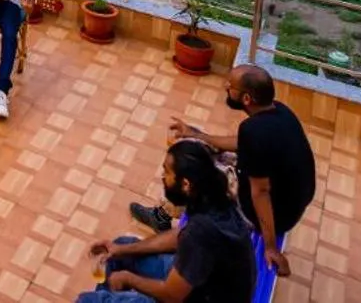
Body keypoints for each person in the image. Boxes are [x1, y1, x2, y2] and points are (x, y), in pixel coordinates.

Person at [130, 65, 317, 277]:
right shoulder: (280, 111)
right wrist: (198, 135)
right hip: (291, 201)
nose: (226, 86)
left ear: (247, 98)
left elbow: (260, 192)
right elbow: (242, 143)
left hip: (274, 211)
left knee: (187, 166)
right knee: (195, 144)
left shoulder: (254, 132)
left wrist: (270, 246)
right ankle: (166, 211)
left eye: (231, 86)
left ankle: (162, 216)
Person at [80, 140, 255, 303]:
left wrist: (128, 278)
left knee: (88, 301)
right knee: (120, 248)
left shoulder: (201, 233)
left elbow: (172, 295)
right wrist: (121, 250)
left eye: (167, 172)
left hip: (198, 296)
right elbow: (180, 235)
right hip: (201, 281)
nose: (163, 177)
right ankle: (109, 294)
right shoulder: (213, 196)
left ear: (186, 184)